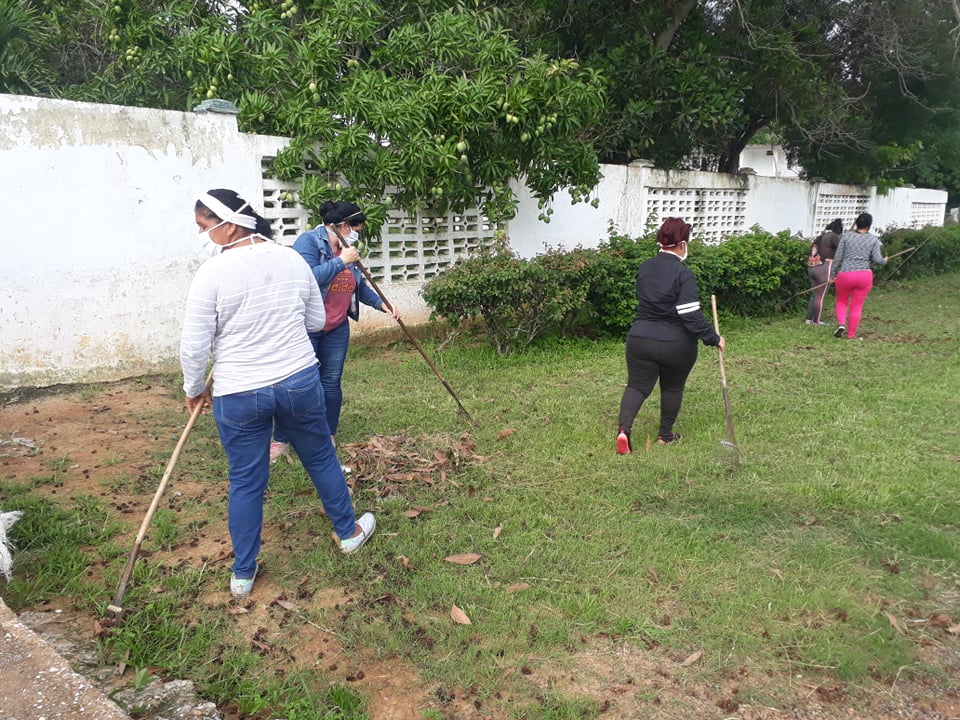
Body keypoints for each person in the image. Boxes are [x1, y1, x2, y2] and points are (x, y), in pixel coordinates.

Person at [180, 189, 376, 599]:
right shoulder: (289, 258)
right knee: (320, 454)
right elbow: (315, 318)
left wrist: (194, 389)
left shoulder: (211, 274)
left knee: (246, 481)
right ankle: (348, 531)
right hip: (297, 380)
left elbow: (195, 344)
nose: (202, 236)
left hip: (238, 393)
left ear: (228, 223)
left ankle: (243, 573)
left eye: (203, 227)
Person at [270, 200, 400, 464]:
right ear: (342, 225)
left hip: (337, 326)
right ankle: (281, 438)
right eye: (356, 229)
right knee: (296, 384)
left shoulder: (347, 249)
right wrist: (341, 261)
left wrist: (380, 303)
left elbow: (357, 285)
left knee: (330, 383)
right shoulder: (309, 243)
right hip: (306, 326)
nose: (357, 235)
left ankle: (327, 433)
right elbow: (307, 278)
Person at [616, 218, 725, 454]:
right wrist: (713, 338)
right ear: (682, 244)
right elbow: (689, 314)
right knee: (672, 388)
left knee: (637, 386)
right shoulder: (683, 274)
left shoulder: (644, 267)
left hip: (640, 339)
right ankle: (665, 435)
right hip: (676, 344)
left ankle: (624, 431)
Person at [829, 212, 887, 340]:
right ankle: (851, 335)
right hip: (864, 275)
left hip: (845, 274)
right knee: (857, 305)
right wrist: (885, 260)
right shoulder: (873, 239)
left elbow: (838, 257)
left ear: (856, 223)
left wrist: (832, 275)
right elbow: (878, 260)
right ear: (870, 225)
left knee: (841, 301)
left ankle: (841, 324)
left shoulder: (846, 236)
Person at [805, 218, 842, 325]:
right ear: (839, 230)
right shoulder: (834, 237)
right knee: (820, 296)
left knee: (815, 294)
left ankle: (809, 319)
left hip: (811, 267)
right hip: (824, 267)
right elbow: (841, 250)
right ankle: (817, 321)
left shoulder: (820, 237)